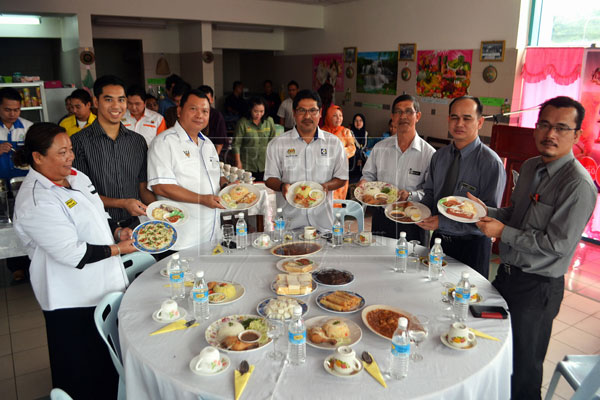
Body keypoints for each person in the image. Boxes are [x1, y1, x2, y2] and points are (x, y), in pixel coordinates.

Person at [470, 96, 597, 400]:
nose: (551, 134)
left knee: (524, 370)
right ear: (535, 128)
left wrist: (503, 232)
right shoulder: (529, 167)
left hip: (537, 288)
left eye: (562, 128)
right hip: (507, 277)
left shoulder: (578, 186)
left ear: (577, 135)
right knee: (491, 348)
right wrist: (482, 211)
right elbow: (515, 214)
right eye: (545, 125)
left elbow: (557, 245)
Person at [12, 122, 136, 400]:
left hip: (103, 285)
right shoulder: (35, 200)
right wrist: (119, 248)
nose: (70, 157)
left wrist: (116, 231)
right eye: (62, 152)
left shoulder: (75, 176)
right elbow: (74, 254)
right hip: (71, 297)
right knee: (80, 370)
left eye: (70, 150)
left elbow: (95, 214)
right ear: (38, 157)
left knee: (105, 363)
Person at [418, 96, 506, 279]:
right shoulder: (439, 157)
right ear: (448, 120)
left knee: (465, 300)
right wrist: (419, 211)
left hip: (472, 246)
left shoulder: (491, 163)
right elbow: (430, 192)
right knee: (432, 291)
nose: (459, 123)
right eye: (454, 117)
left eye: (467, 118)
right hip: (439, 241)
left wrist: (442, 222)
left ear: (480, 122)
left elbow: (487, 217)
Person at [147, 89, 227, 249]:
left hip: (212, 234)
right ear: (179, 111)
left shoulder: (208, 144)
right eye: (193, 109)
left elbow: (216, 177)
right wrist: (202, 199)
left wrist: (228, 186)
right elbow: (161, 186)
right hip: (183, 237)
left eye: (205, 111)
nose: (200, 115)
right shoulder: (164, 142)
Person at [71, 75, 155, 226]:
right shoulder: (78, 142)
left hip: (135, 224)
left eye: (121, 100)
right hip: (97, 224)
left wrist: (159, 209)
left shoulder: (137, 141)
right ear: (96, 102)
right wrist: (122, 203)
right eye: (109, 99)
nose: (116, 106)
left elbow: (142, 187)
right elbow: (81, 193)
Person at [265, 89, 348, 232]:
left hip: (324, 224)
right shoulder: (277, 144)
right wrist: (282, 186)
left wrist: (326, 186)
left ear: (320, 112)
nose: (307, 116)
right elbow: (269, 178)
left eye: (313, 111)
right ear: (294, 112)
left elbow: (342, 178)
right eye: (302, 110)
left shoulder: (334, 143)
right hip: (288, 225)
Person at [360, 94, 435, 242]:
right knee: (379, 261)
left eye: (408, 111)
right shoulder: (380, 148)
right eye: (398, 112)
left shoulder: (429, 154)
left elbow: (431, 192)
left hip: (413, 219)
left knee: (412, 263)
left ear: (418, 116)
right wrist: (364, 183)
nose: (403, 116)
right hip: (382, 217)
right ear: (393, 117)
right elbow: (368, 175)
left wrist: (410, 195)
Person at [232, 97, 277, 182]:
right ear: (250, 110)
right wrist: (238, 162)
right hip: (248, 164)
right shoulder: (243, 123)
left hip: (265, 163)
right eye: (255, 111)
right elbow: (236, 144)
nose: (259, 114)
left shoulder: (269, 121)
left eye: (261, 111)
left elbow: (273, 142)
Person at [321, 105, 355, 201]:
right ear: (328, 117)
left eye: (340, 115)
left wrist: (339, 152)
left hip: (340, 171)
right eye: (335, 115)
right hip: (325, 170)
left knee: (338, 200)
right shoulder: (322, 132)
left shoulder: (345, 132)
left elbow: (352, 148)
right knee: (325, 196)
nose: (338, 118)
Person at [1, 87, 33, 186]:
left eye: (16, 110)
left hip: (23, 182)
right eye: (7, 110)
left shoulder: (28, 127)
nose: (12, 114)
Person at [198, 84, 228, 155]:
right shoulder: (193, 114)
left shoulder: (216, 116)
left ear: (212, 99)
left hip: (211, 153)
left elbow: (219, 142)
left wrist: (214, 159)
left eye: (207, 99)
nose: (204, 102)